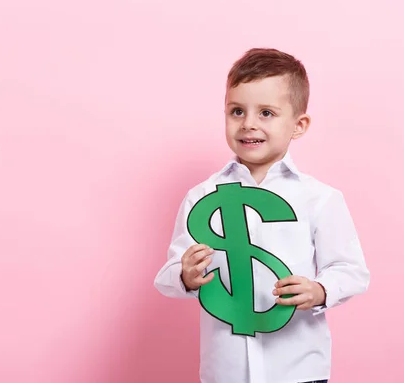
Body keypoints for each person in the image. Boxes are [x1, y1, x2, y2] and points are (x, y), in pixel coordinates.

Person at [154, 48, 370, 383]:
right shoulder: (202, 196)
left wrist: (320, 290)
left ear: (298, 125)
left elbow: (351, 270)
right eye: (237, 111)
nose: (248, 124)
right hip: (225, 370)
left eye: (266, 113)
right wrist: (185, 275)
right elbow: (168, 274)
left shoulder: (319, 199)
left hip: (298, 369)